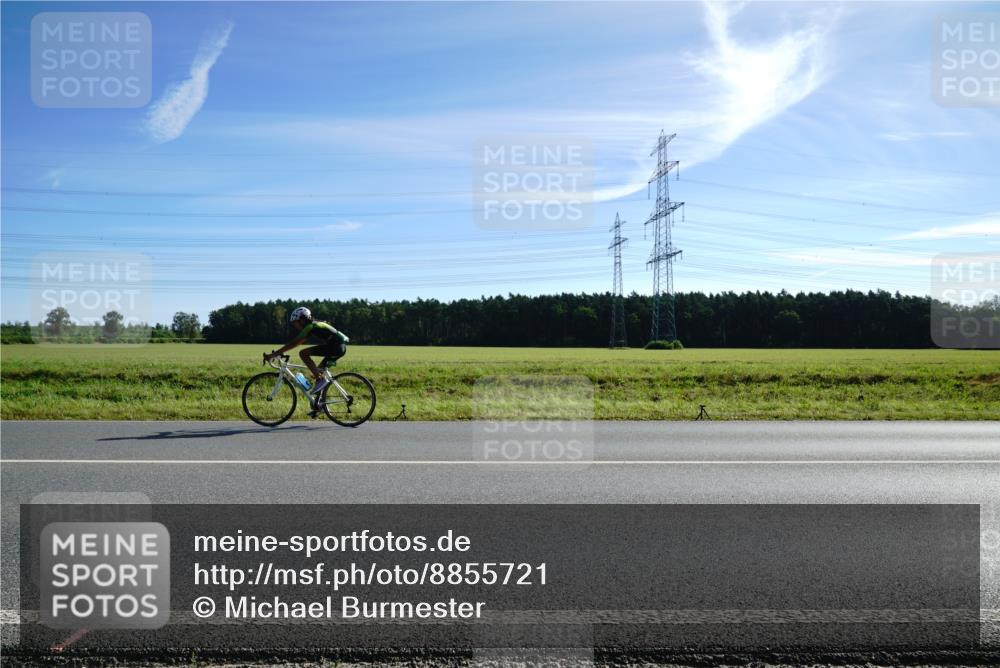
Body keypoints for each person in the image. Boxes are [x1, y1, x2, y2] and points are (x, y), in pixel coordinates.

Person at [264, 307, 349, 397]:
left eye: (295, 322)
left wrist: (273, 354)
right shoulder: (314, 325)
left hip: (335, 347)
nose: (295, 326)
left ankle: (320, 381)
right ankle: (319, 404)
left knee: (303, 353)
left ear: (302, 319)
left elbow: (294, 343)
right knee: (317, 373)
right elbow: (298, 342)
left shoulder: (310, 326)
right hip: (339, 348)